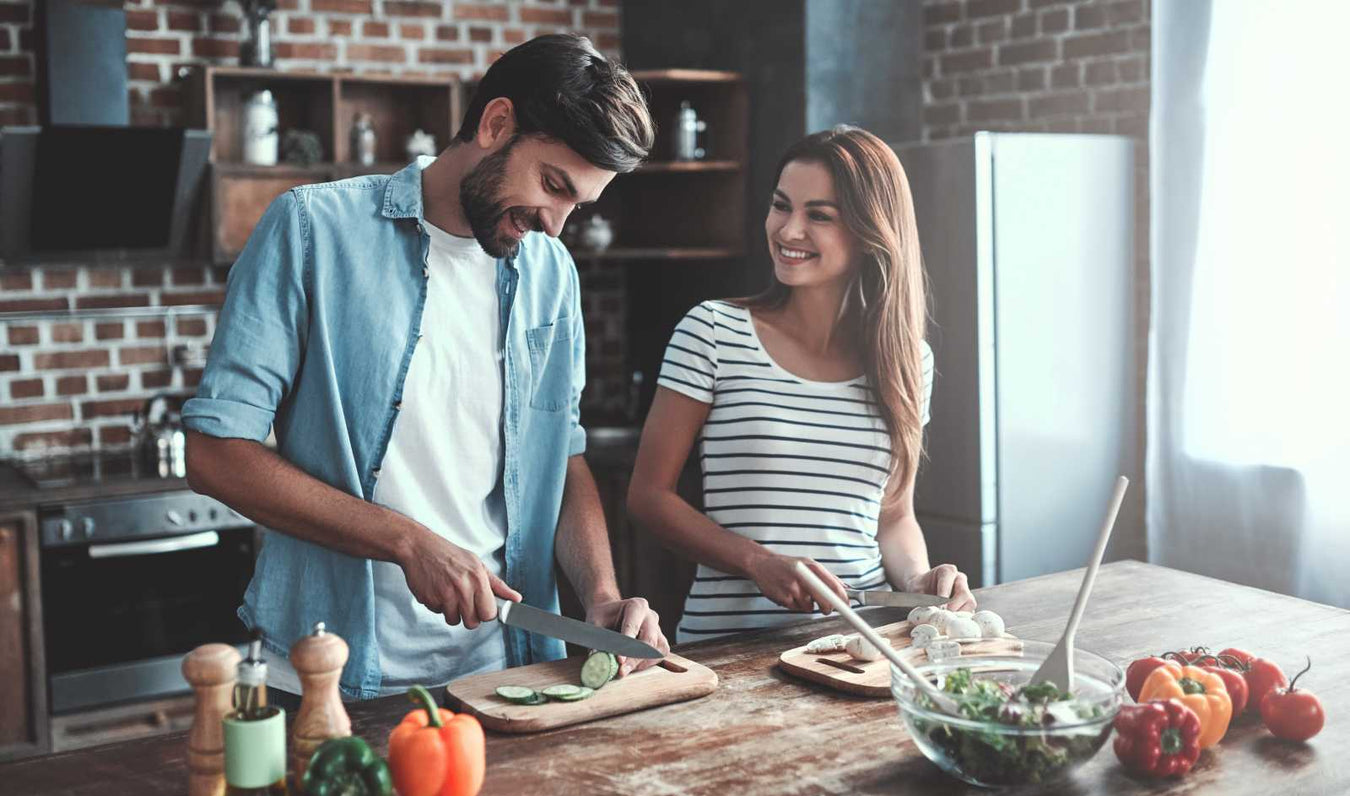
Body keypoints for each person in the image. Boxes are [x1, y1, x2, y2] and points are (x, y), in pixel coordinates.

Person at [183, 35, 668, 700]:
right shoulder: (311, 231)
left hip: (505, 675)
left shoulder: (551, 273)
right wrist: (407, 541)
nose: (556, 225)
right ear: (497, 124)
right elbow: (214, 453)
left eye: (577, 204)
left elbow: (564, 455)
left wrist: (602, 597)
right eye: (553, 185)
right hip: (329, 677)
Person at [627, 126, 977, 644]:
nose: (788, 231)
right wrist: (757, 561)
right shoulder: (713, 332)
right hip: (729, 647)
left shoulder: (908, 360)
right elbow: (648, 497)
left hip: (861, 644)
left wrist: (919, 583)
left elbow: (893, 518)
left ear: (868, 231)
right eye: (781, 206)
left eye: (819, 215)